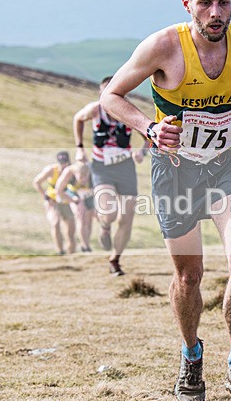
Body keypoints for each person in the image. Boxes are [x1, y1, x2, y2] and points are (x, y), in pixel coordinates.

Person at [99, 0, 231, 401]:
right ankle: (191, 354)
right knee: (190, 274)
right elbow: (111, 96)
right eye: (205, 3)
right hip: (175, 168)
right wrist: (149, 127)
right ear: (187, 2)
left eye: (223, 3)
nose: (215, 14)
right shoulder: (163, 46)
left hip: (228, 161)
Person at [73, 76, 148, 275]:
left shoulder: (129, 113)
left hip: (125, 168)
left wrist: (142, 151)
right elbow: (77, 119)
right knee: (109, 212)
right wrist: (79, 148)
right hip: (101, 167)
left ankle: (115, 259)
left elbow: (149, 135)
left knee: (127, 217)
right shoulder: (94, 110)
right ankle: (105, 226)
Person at [32, 151, 77, 255]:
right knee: (55, 223)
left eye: (65, 162)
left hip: (66, 201)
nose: (63, 165)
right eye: (61, 162)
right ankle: (60, 250)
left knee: (70, 229)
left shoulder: (72, 171)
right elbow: (36, 182)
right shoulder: (52, 170)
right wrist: (46, 197)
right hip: (53, 201)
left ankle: (72, 252)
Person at [55, 161, 95, 253]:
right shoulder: (69, 172)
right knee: (81, 215)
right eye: (81, 177)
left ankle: (86, 244)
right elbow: (59, 191)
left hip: (88, 192)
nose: (84, 180)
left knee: (89, 218)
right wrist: (74, 201)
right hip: (73, 192)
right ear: (75, 174)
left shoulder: (94, 172)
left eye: (86, 177)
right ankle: (84, 245)